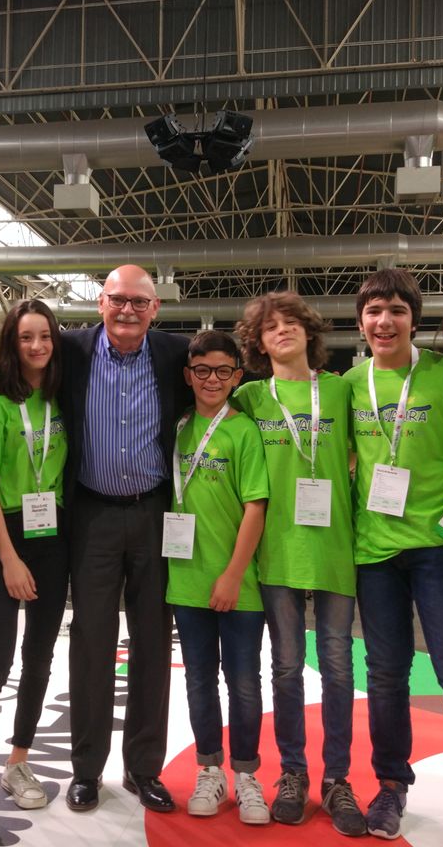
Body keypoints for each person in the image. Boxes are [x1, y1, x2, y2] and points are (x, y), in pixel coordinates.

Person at [345, 270, 443, 845]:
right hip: (374, 553)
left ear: (414, 319)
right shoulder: (350, 384)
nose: (384, 322)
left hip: (442, 550)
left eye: (397, 310)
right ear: (360, 322)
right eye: (373, 311)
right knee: (385, 676)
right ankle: (391, 785)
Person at [60, 264, 190, 813]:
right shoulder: (70, 350)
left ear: (155, 308)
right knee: (91, 639)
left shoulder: (175, 354)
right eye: (118, 299)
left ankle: (143, 768)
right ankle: (86, 769)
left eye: (139, 301)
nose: (128, 310)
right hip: (91, 513)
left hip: (155, 512)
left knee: (153, 639)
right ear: (100, 303)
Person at [232, 291, 356, 826]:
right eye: (269, 327)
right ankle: (293, 773)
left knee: (337, 667)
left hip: (335, 547)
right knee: (285, 668)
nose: (281, 331)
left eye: (290, 323)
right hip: (276, 550)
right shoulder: (250, 398)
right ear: (258, 344)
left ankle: (337, 779)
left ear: (309, 331)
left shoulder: (342, 390)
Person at [0, 300, 69, 825]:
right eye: (26, 337)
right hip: (4, 534)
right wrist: (8, 559)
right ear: (11, 342)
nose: (36, 346)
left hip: (54, 535)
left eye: (44, 336)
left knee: (40, 656)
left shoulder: (62, 399)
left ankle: (19, 761)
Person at [167, 331, 270, 824]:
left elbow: (256, 508)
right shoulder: (177, 426)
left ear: (237, 376)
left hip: (239, 583)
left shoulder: (243, 431)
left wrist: (232, 574)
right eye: (202, 370)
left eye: (223, 371)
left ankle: (246, 773)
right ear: (188, 375)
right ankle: (210, 769)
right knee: (199, 680)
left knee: (244, 682)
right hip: (186, 579)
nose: (212, 379)